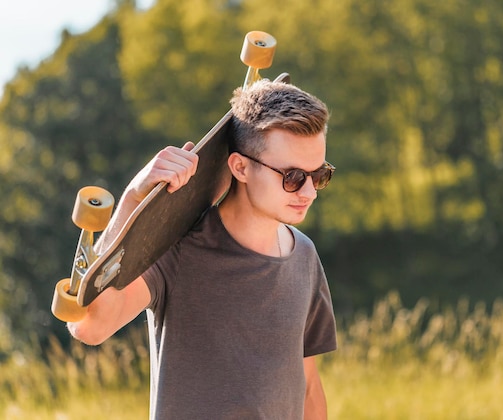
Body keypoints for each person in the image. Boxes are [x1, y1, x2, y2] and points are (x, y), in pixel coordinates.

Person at [67, 79, 338, 419]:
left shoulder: (305, 257)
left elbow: (309, 387)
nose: (309, 193)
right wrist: (134, 198)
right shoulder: (178, 248)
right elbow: (89, 327)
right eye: (294, 177)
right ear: (240, 167)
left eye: (320, 175)